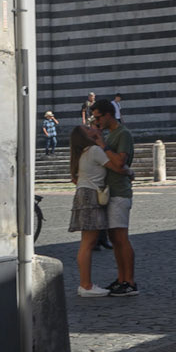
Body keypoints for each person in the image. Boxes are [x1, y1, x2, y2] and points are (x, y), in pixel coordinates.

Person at [91, 97, 136, 295]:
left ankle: (130, 282)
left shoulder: (122, 134)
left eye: (98, 117)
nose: (96, 121)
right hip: (111, 193)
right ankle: (121, 278)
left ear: (108, 114)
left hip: (120, 193)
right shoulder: (110, 135)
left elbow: (119, 163)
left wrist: (103, 145)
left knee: (121, 238)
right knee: (115, 240)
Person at [68, 123, 113, 297]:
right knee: (88, 243)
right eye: (88, 128)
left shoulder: (80, 154)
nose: (92, 128)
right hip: (91, 196)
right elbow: (114, 165)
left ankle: (85, 284)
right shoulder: (94, 151)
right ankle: (86, 285)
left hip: (82, 194)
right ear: (84, 136)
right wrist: (102, 142)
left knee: (87, 242)